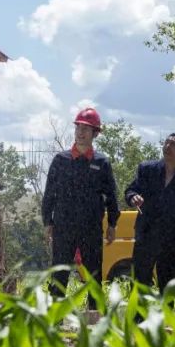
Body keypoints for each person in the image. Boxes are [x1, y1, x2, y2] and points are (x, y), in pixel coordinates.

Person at [42, 107, 119, 309]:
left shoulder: (101, 162)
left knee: (94, 273)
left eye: (86, 129)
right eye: (78, 128)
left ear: (95, 133)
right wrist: (47, 222)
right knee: (59, 272)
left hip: (91, 227)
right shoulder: (61, 160)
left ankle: (94, 315)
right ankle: (54, 315)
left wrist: (112, 223)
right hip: (64, 226)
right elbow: (49, 194)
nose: (81, 132)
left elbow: (111, 195)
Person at [124, 133, 175, 292]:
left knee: (168, 283)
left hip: (171, 238)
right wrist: (133, 197)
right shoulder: (147, 169)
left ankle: (165, 316)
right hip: (146, 234)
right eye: (166, 142)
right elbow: (131, 190)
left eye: (173, 144)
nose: (167, 146)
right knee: (139, 281)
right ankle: (137, 317)